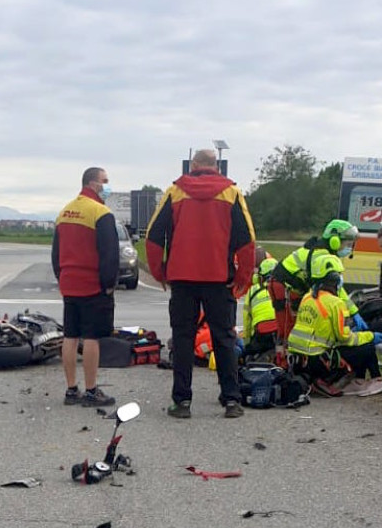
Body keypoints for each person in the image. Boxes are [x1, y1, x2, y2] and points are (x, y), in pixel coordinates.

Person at [145, 148, 256, 418]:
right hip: (219, 279)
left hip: (182, 279)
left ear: (193, 165)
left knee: (183, 338)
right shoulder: (231, 192)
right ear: (216, 166)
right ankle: (231, 400)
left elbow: (153, 236)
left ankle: (181, 402)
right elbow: (247, 240)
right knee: (225, 338)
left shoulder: (175, 191)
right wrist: (243, 279)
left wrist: (160, 273)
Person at [52, 166, 119, 407]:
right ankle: (91, 390)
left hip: (69, 284)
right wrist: (109, 284)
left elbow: (55, 252)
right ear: (93, 183)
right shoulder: (100, 213)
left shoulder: (65, 212)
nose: (108, 185)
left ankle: (71, 390)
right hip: (92, 285)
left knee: (70, 336)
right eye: (105, 180)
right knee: (91, 338)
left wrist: (62, 277)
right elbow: (110, 254)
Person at [287, 253, 382, 395]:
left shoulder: (308, 297)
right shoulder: (336, 303)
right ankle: (375, 379)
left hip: (299, 363)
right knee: (366, 346)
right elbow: (345, 338)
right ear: (335, 280)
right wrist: (370, 336)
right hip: (319, 363)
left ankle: (359, 380)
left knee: (357, 342)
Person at [269, 219, 363, 347]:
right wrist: (354, 312)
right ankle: (286, 359)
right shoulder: (320, 255)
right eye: (347, 243)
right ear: (334, 241)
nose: (348, 247)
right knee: (288, 330)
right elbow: (336, 288)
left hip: (292, 286)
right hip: (282, 286)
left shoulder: (323, 252)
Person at [241, 257, 278, 360]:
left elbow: (246, 319)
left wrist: (247, 341)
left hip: (261, 333)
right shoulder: (282, 288)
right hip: (279, 333)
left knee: (248, 354)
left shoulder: (252, 290)